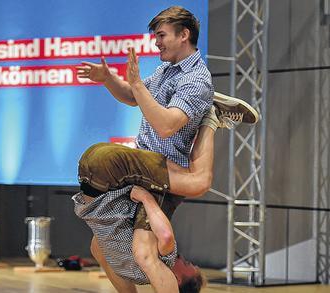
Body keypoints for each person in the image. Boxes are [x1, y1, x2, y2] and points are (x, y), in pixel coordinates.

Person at [74, 6, 259, 292]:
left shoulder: (197, 80)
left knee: (145, 254)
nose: (156, 42)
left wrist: (136, 83)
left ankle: (212, 115)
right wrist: (110, 79)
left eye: (161, 35)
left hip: (162, 176)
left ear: (184, 35)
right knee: (100, 247)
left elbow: (166, 126)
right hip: (140, 171)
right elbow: (135, 97)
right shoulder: (166, 70)